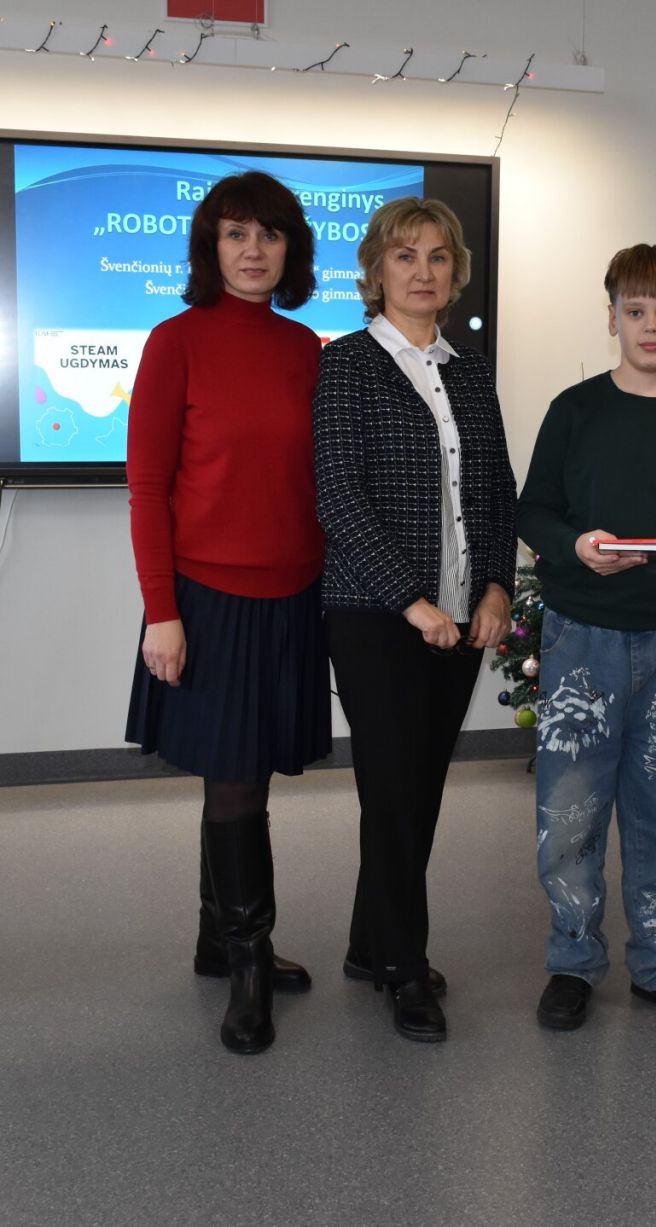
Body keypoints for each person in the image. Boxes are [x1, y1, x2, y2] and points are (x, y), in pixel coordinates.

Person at [126, 170, 332, 1054]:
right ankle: (248, 960)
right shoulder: (174, 341)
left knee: (244, 775)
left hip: (294, 594)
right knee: (236, 779)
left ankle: (219, 937)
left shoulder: (307, 348)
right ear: (211, 247)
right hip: (208, 600)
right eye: (236, 234)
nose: (254, 250)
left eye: (270, 234)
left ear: (292, 250)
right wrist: (160, 610)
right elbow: (147, 490)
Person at [517, 244, 656, 1032]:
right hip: (581, 638)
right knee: (570, 808)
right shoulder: (575, 411)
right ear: (610, 317)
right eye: (635, 310)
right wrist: (576, 547)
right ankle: (573, 961)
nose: (650, 325)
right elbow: (533, 510)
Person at [313, 197, 517, 1043]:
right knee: (395, 792)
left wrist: (497, 587)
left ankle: (371, 942)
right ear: (375, 270)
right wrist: (412, 600)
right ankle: (404, 966)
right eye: (405, 256)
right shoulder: (346, 363)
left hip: (463, 616)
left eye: (438, 256)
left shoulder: (469, 371)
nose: (423, 271)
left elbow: (496, 487)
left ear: (455, 272)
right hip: (376, 615)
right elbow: (337, 494)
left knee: (418, 788)